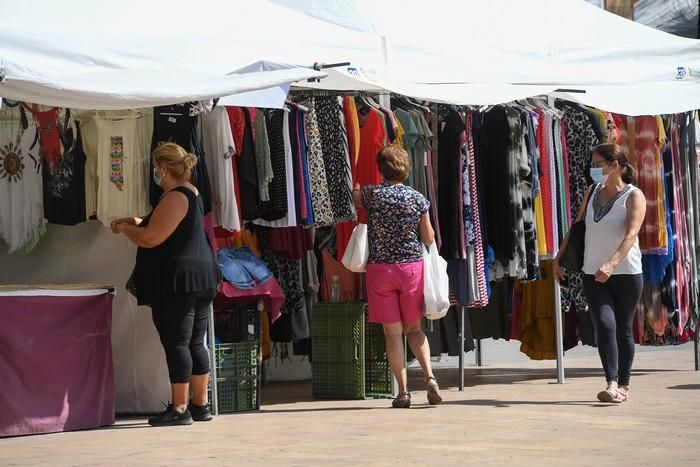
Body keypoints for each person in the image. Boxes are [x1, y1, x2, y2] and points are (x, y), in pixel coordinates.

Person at [112, 142, 220, 426]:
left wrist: (125, 230)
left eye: (156, 167)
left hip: (179, 281)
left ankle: (180, 408)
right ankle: (200, 404)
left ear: (162, 167)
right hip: (201, 276)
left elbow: (151, 237)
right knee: (196, 341)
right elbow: (163, 226)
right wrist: (134, 220)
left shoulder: (175, 197)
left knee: (178, 343)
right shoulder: (189, 193)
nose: (154, 172)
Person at [554, 143, 645, 403]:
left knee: (623, 330)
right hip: (592, 272)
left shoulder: (633, 195)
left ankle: (624, 384)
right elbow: (578, 227)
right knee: (604, 326)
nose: (592, 169)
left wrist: (612, 263)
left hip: (626, 273)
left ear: (614, 165)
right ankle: (611, 383)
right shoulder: (592, 191)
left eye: (597, 164)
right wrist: (559, 258)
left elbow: (631, 235)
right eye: (592, 164)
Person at [352, 145, 442, 408]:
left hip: (381, 270)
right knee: (414, 329)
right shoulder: (417, 198)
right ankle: (430, 378)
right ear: (406, 169)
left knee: (392, 335)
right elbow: (428, 237)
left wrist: (357, 187)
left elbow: (356, 198)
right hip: (411, 269)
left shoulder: (372, 195)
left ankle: (402, 392)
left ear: (381, 169)